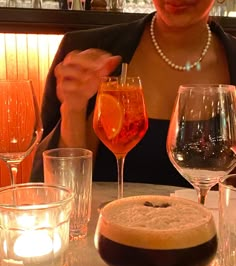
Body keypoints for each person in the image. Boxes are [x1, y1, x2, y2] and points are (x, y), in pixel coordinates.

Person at [31, 0, 236, 187]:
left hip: (211, 227)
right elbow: (57, 190)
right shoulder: (87, 50)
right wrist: (73, 110)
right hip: (104, 225)